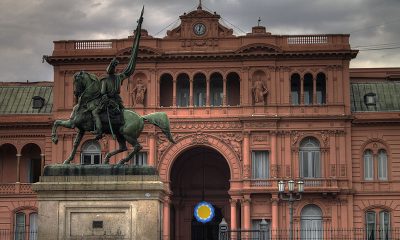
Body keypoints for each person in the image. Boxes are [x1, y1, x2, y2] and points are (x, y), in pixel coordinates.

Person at [91, 10, 143, 139]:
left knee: (96, 112)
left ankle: (98, 131)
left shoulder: (112, 78)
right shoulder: (114, 77)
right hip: (115, 103)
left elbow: (130, 68)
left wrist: (136, 45)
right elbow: (129, 69)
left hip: (111, 103)